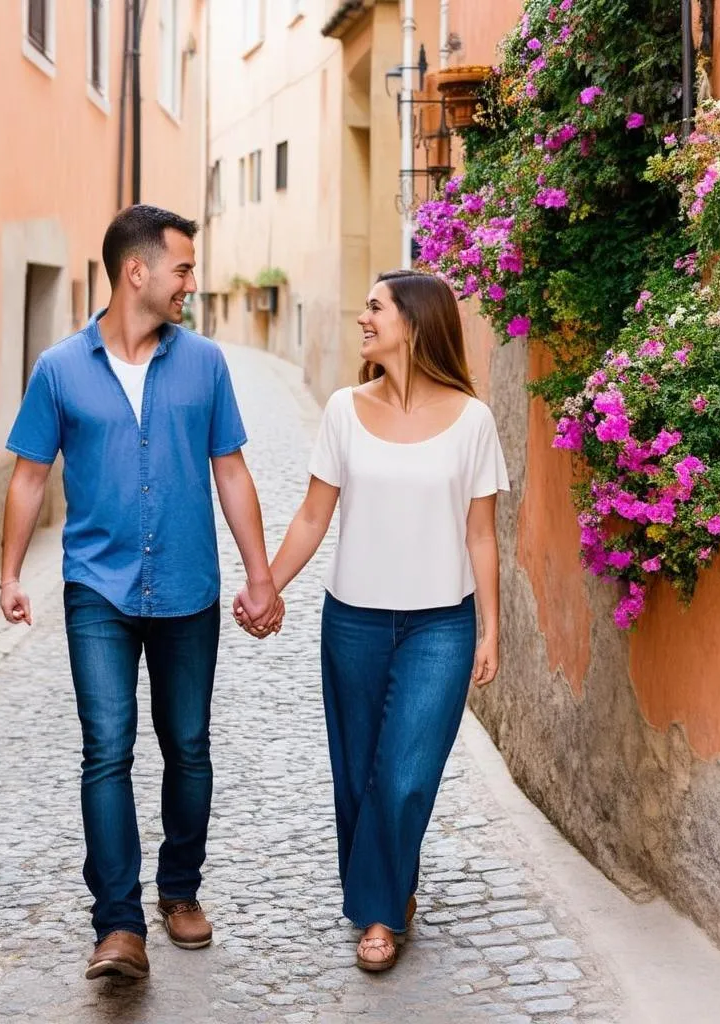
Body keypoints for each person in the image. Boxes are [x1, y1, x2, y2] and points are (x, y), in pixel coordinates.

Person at [0, 204, 282, 982]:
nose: (193, 281)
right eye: (184, 268)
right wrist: (9, 572)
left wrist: (261, 574)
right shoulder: (60, 368)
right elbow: (29, 475)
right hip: (98, 586)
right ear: (138, 272)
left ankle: (180, 889)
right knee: (106, 749)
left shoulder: (205, 365)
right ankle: (119, 925)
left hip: (189, 585)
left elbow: (231, 469)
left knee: (188, 747)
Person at [239, 270, 509, 972]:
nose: (362, 317)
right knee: (357, 774)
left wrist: (491, 626)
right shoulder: (342, 410)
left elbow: (482, 534)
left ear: (414, 323)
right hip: (353, 621)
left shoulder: (472, 421)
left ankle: (379, 916)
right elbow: (312, 514)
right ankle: (391, 890)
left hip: (439, 628)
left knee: (405, 775)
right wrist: (267, 584)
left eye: (375, 308)